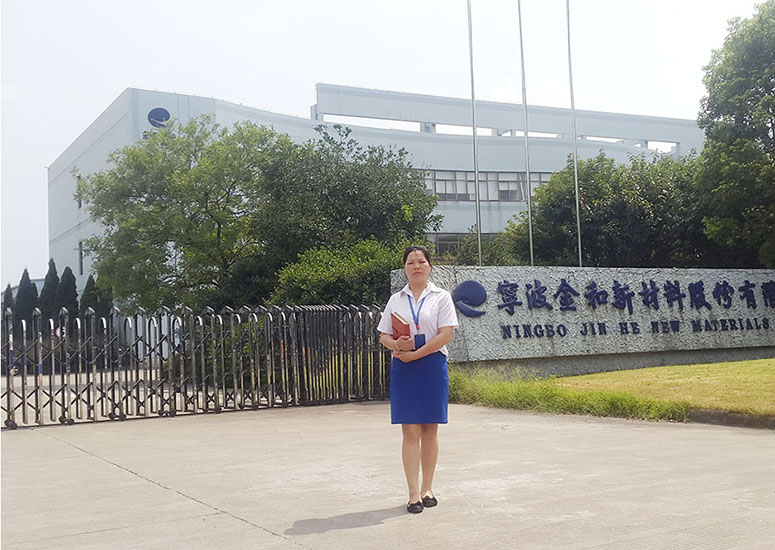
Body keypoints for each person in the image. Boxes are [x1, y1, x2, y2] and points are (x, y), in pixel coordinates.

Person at [377, 245, 458, 514]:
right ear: (404, 268)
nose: (416, 266)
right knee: (410, 430)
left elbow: (445, 334)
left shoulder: (441, 297)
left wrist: (416, 354)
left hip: (432, 365)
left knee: (430, 429)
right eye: (411, 262)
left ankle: (427, 489)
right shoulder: (396, 300)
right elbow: (384, 335)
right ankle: (413, 494)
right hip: (404, 367)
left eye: (421, 261)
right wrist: (396, 344)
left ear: (429, 266)